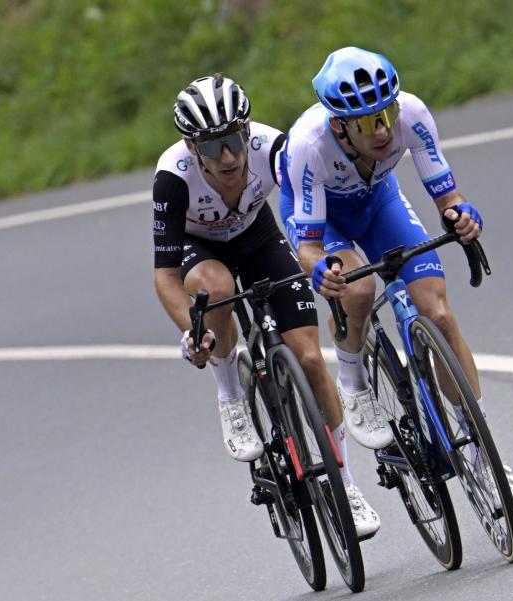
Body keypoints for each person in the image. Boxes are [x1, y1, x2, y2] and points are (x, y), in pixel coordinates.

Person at [278, 47, 513, 507]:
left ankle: (484, 458)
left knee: (438, 313)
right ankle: (352, 378)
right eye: (367, 122)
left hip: (379, 204)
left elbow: (448, 197)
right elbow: (309, 247)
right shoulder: (308, 146)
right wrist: (319, 271)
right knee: (358, 287)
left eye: (386, 114)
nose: (382, 130)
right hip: (324, 222)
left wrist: (463, 218)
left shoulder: (411, 114)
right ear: (339, 125)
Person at [153, 74, 382, 536]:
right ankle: (230, 393)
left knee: (312, 360)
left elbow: (307, 207)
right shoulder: (172, 177)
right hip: (203, 252)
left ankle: (347, 483)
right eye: (213, 147)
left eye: (235, 140)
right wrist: (193, 332)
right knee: (215, 288)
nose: (230, 157)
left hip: (259, 237)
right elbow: (164, 275)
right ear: (191, 146)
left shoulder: (273, 147)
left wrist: (322, 259)